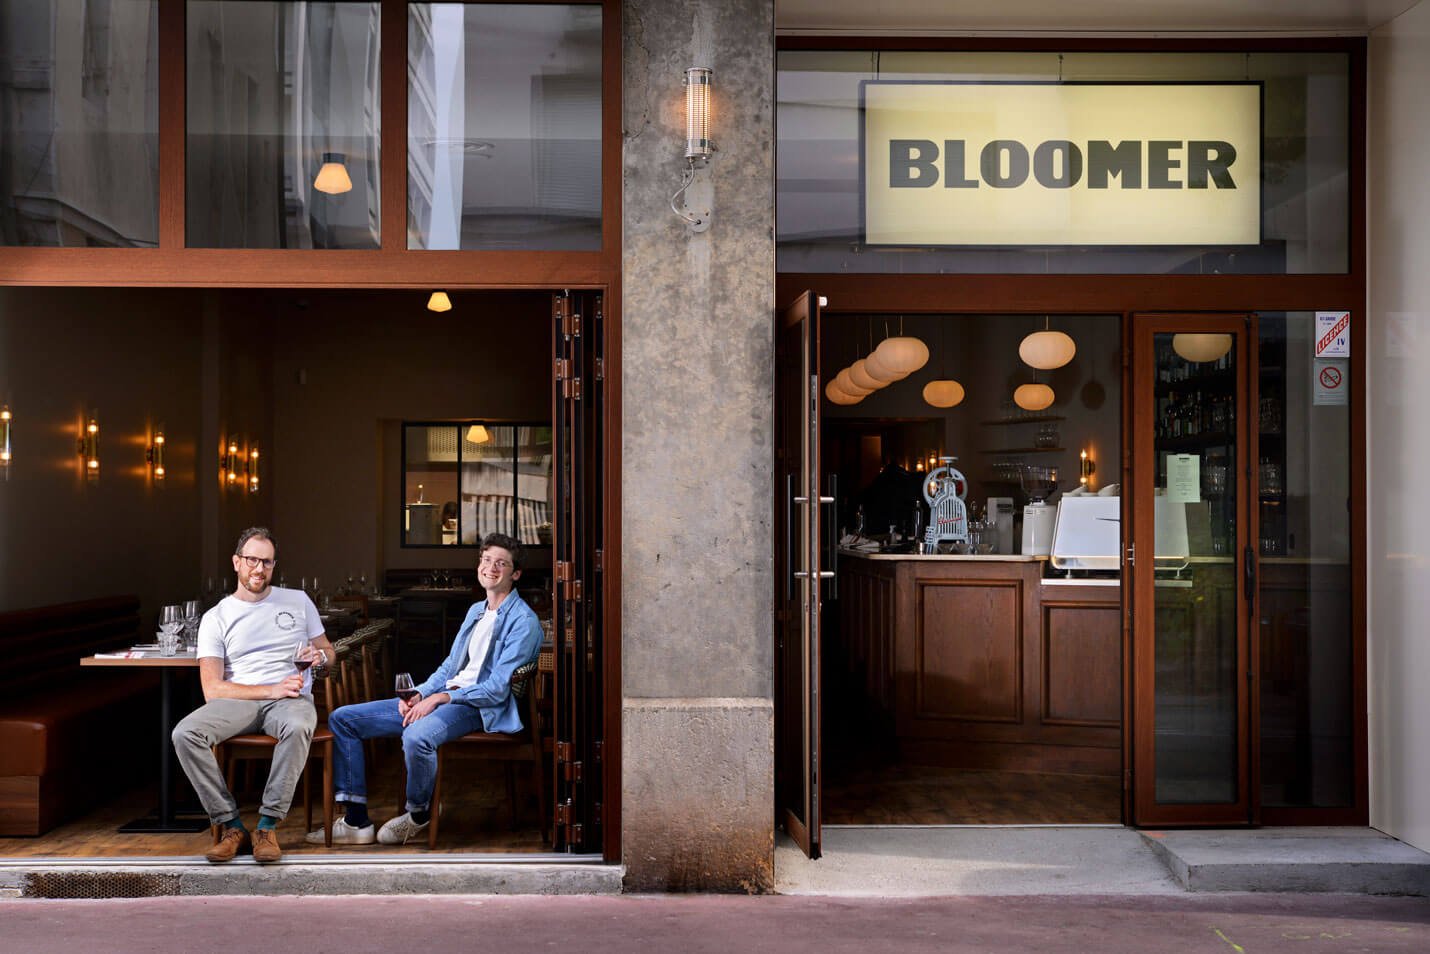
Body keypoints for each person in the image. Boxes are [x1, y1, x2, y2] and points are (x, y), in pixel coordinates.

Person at [307, 532, 543, 846]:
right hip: (445, 697)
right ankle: (355, 821)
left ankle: (418, 813)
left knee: (416, 735)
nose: (491, 567)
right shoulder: (476, 611)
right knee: (343, 719)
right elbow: (449, 667)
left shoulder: (523, 622)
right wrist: (419, 694)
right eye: (486, 560)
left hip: (478, 707)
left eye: (501, 563)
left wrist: (442, 697)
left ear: (515, 574)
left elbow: (497, 689)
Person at [172, 527, 335, 864]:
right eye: (252, 560)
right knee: (185, 733)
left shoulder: (298, 601)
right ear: (236, 562)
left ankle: (266, 826)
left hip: (290, 700)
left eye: (267, 562)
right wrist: (269, 689)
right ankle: (231, 825)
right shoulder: (216, 617)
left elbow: (328, 653)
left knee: (299, 725)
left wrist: (321, 658)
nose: (259, 569)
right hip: (238, 701)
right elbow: (212, 688)